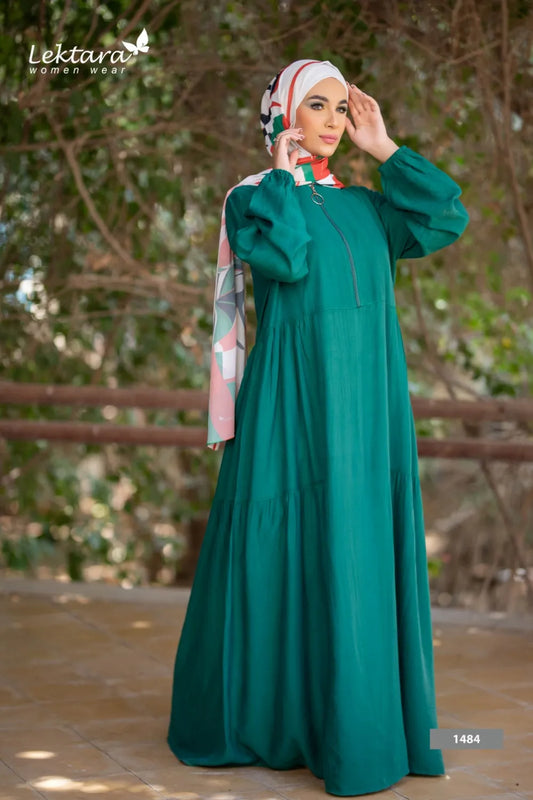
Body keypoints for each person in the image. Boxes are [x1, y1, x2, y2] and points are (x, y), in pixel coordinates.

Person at [167, 58, 469, 797]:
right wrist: (279, 176)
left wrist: (386, 149)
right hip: (293, 412)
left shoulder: (369, 207)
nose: (334, 120)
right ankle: (284, 721)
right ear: (281, 117)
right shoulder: (253, 203)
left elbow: (444, 217)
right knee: (291, 549)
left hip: (369, 418)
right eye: (318, 106)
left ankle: (367, 721)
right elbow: (287, 259)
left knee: (360, 551)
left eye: (343, 107)